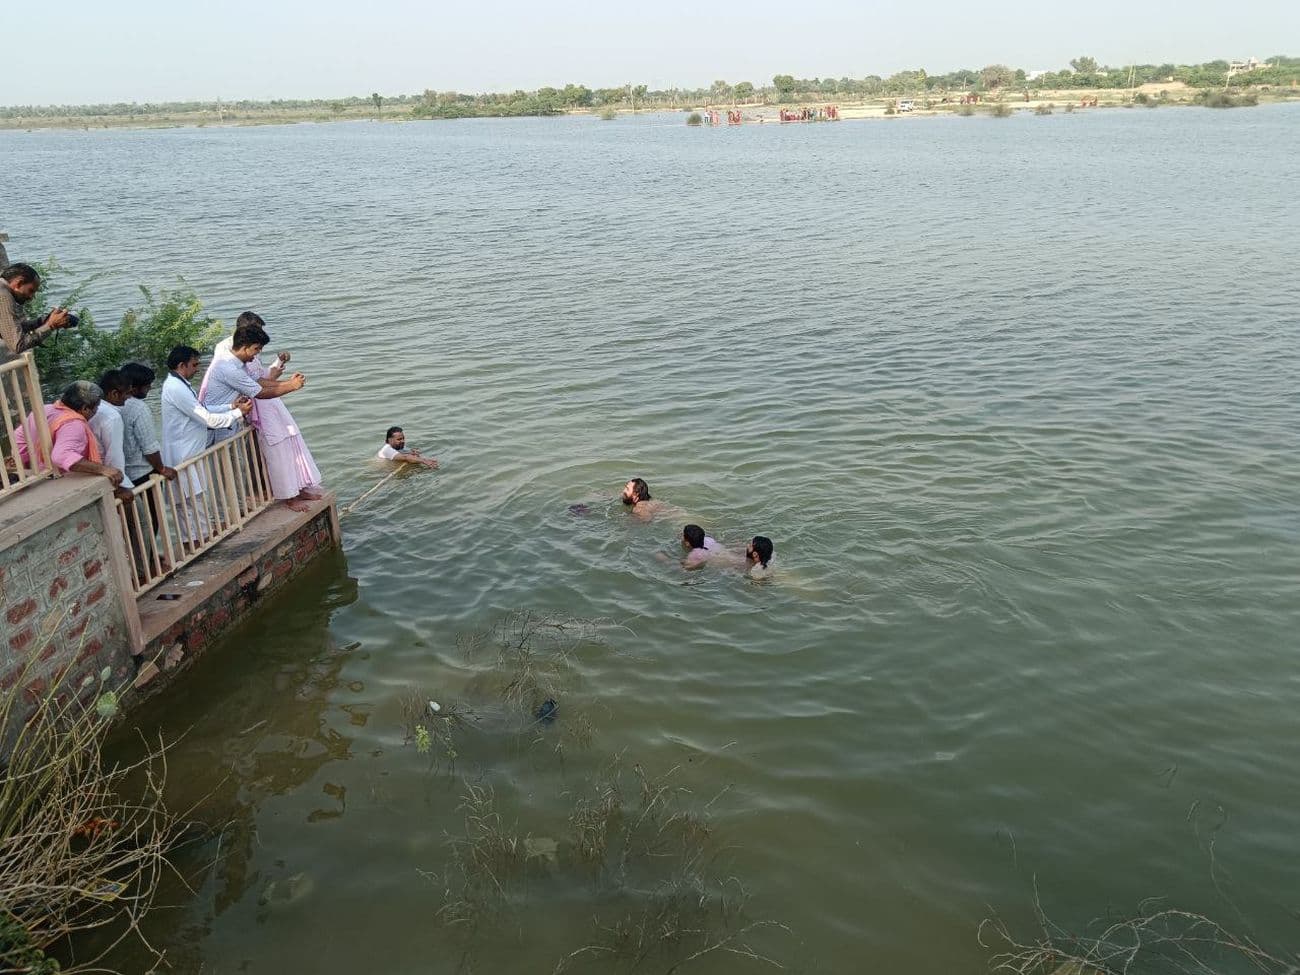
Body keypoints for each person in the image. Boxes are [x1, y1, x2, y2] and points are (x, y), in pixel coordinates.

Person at [201, 312, 322, 512]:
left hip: (233, 417)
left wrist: (285, 378)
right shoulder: (227, 363)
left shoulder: (240, 359)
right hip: (220, 424)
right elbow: (259, 390)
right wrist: (291, 386)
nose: (257, 354)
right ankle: (235, 512)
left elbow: (259, 381)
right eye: (256, 349)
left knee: (280, 447)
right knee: (227, 472)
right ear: (245, 339)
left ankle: (294, 489)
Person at [162, 345, 252, 542]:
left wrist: (230, 406)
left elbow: (202, 408)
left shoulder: (181, 384)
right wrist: (237, 414)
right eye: (194, 365)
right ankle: (196, 540)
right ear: (181, 365)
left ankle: (200, 537)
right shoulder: (176, 388)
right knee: (189, 502)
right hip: (183, 453)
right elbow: (207, 419)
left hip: (191, 451)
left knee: (196, 498)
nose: (196, 369)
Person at [13, 380, 123, 485]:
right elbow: (60, 456)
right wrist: (104, 469)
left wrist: (23, 464)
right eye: (96, 408)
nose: (96, 412)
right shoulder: (75, 424)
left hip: (38, 476)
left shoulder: (44, 410)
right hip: (60, 482)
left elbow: (18, 439)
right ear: (85, 408)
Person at [1, 263, 75, 364]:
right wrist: (50, 326)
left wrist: (43, 321)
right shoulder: (3, 296)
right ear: (18, 283)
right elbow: (18, 345)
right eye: (31, 291)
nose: (31, 297)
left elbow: (11, 330)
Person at [119, 362, 177, 488]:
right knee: (154, 507)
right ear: (134, 388)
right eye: (147, 386)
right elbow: (149, 447)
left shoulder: (110, 406)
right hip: (143, 473)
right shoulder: (139, 408)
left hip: (125, 474)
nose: (150, 388)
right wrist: (162, 469)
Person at [87, 370, 136, 501]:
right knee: (140, 519)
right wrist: (119, 487)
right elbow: (114, 455)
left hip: (93, 475)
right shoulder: (112, 417)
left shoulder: (92, 410)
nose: (129, 397)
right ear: (114, 394)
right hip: (110, 481)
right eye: (127, 393)